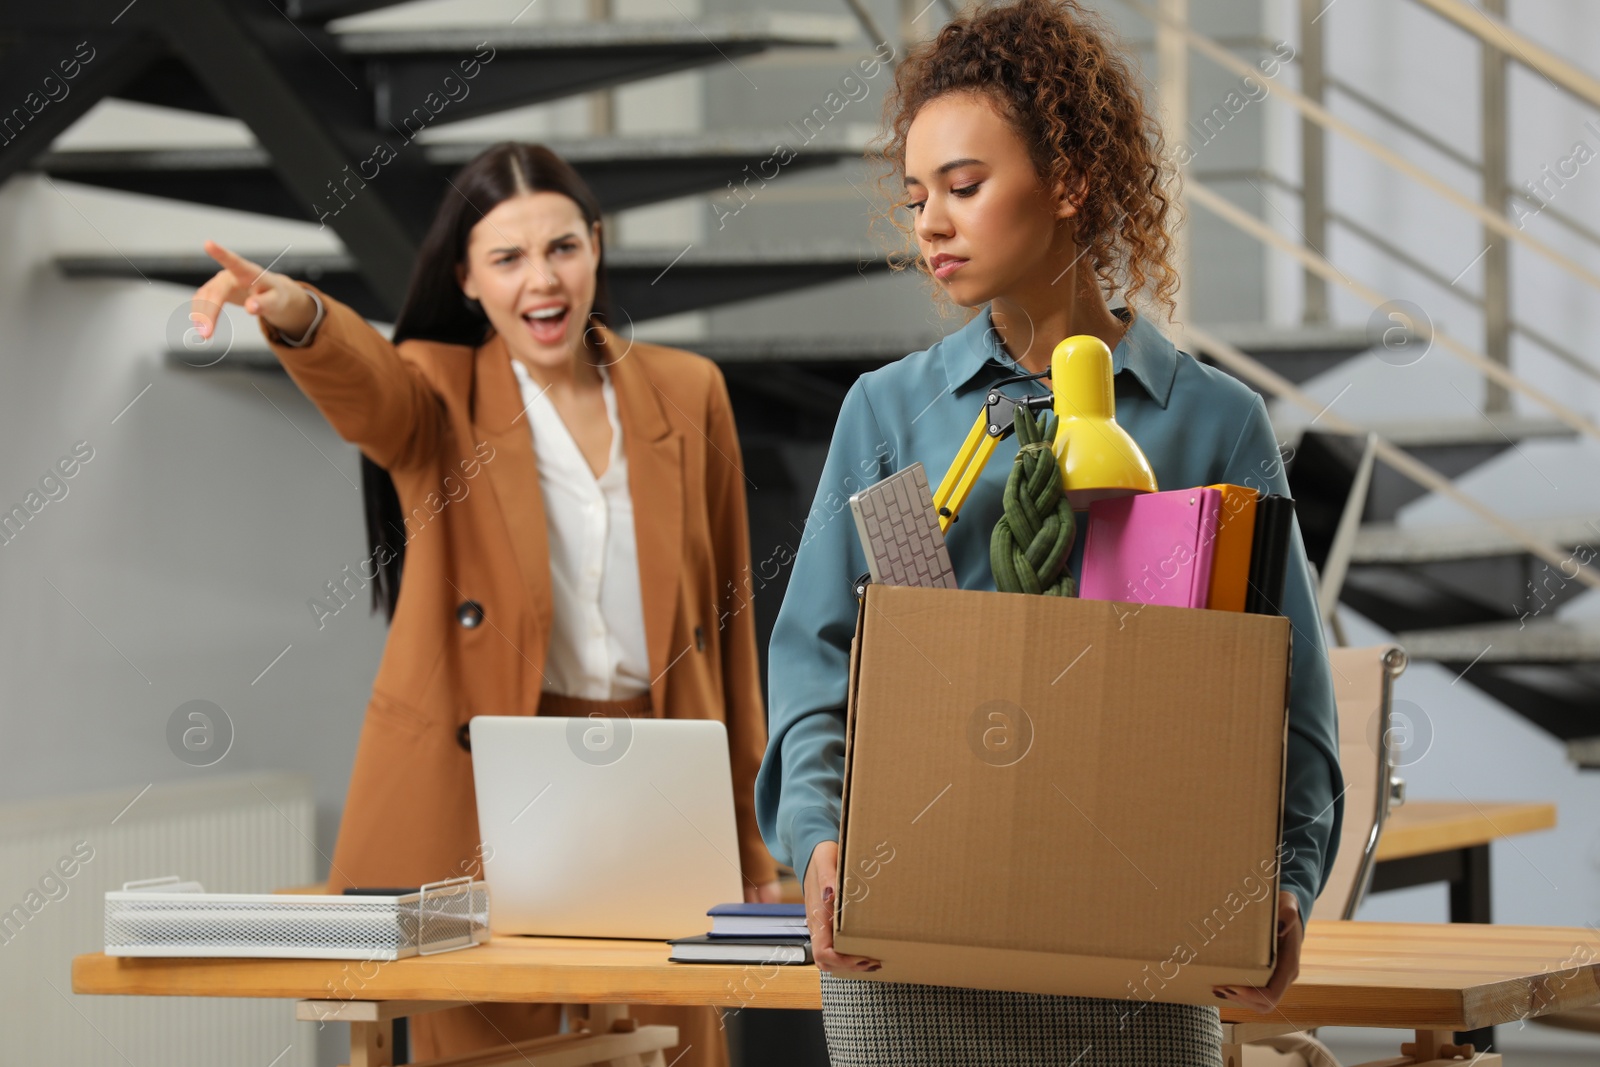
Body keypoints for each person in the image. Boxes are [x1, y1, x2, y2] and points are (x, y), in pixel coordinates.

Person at [755, 2, 1344, 1064]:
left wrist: (1287, 878)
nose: (930, 221)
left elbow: (1288, 684)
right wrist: (821, 840)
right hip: (912, 946)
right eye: (917, 194)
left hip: (1140, 945)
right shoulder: (885, 417)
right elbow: (812, 659)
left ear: (1068, 181)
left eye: (965, 187)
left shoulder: (1212, 420)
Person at [188, 142, 779, 1066]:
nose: (541, 280)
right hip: (497, 774)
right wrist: (299, 312)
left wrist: (755, 837)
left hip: (661, 764)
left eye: (561, 249)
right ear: (466, 279)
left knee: (675, 1040)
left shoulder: (687, 391)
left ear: (597, 246)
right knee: (487, 1044)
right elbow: (367, 387)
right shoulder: (438, 391)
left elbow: (731, 628)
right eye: (506, 258)